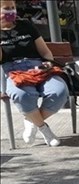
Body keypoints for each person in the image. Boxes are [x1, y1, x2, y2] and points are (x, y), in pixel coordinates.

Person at [0, 0, 69, 147]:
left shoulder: (26, 25)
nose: (11, 11)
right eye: (6, 9)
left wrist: (48, 63)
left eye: (13, 8)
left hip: (37, 66)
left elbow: (44, 51)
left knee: (59, 92)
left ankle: (31, 119)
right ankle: (45, 130)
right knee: (23, 95)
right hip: (12, 70)